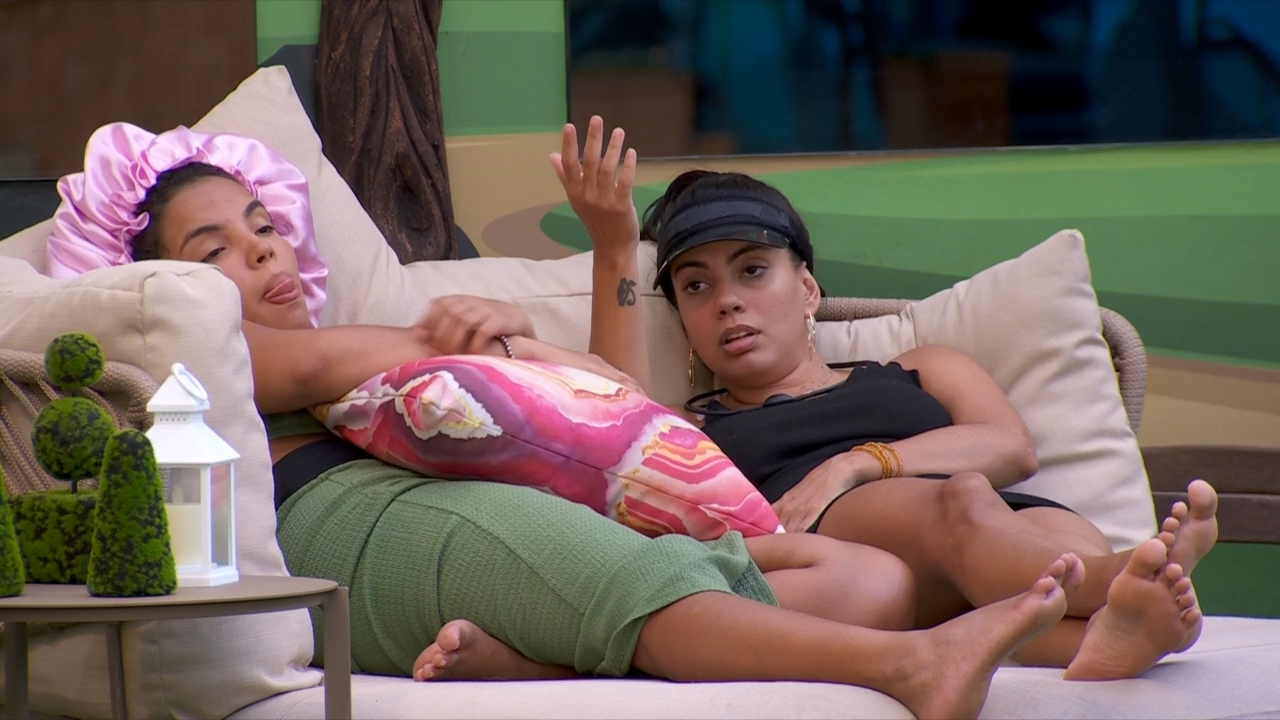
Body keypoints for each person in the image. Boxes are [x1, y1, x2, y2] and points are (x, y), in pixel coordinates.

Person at [46, 121, 1088, 720]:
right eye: (215, 249)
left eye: (263, 226)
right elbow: (323, 363)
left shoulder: (358, 360)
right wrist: (472, 340)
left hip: (428, 499)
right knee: (605, 561)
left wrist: (531, 330)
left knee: (869, 581)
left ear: (807, 286)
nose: (261, 251)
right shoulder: (205, 338)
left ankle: (537, 656)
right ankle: (910, 668)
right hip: (337, 507)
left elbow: (607, 406)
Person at [552, 115, 1217, 681]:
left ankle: (1115, 636)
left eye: (752, 270)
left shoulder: (920, 365)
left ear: (807, 290)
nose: (727, 300)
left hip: (1005, 531)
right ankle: (1114, 581)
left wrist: (857, 463)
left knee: (1017, 532)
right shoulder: (696, 430)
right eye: (696, 287)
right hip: (869, 554)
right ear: (687, 325)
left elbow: (1011, 449)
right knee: (963, 499)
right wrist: (614, 249)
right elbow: (614, 421)